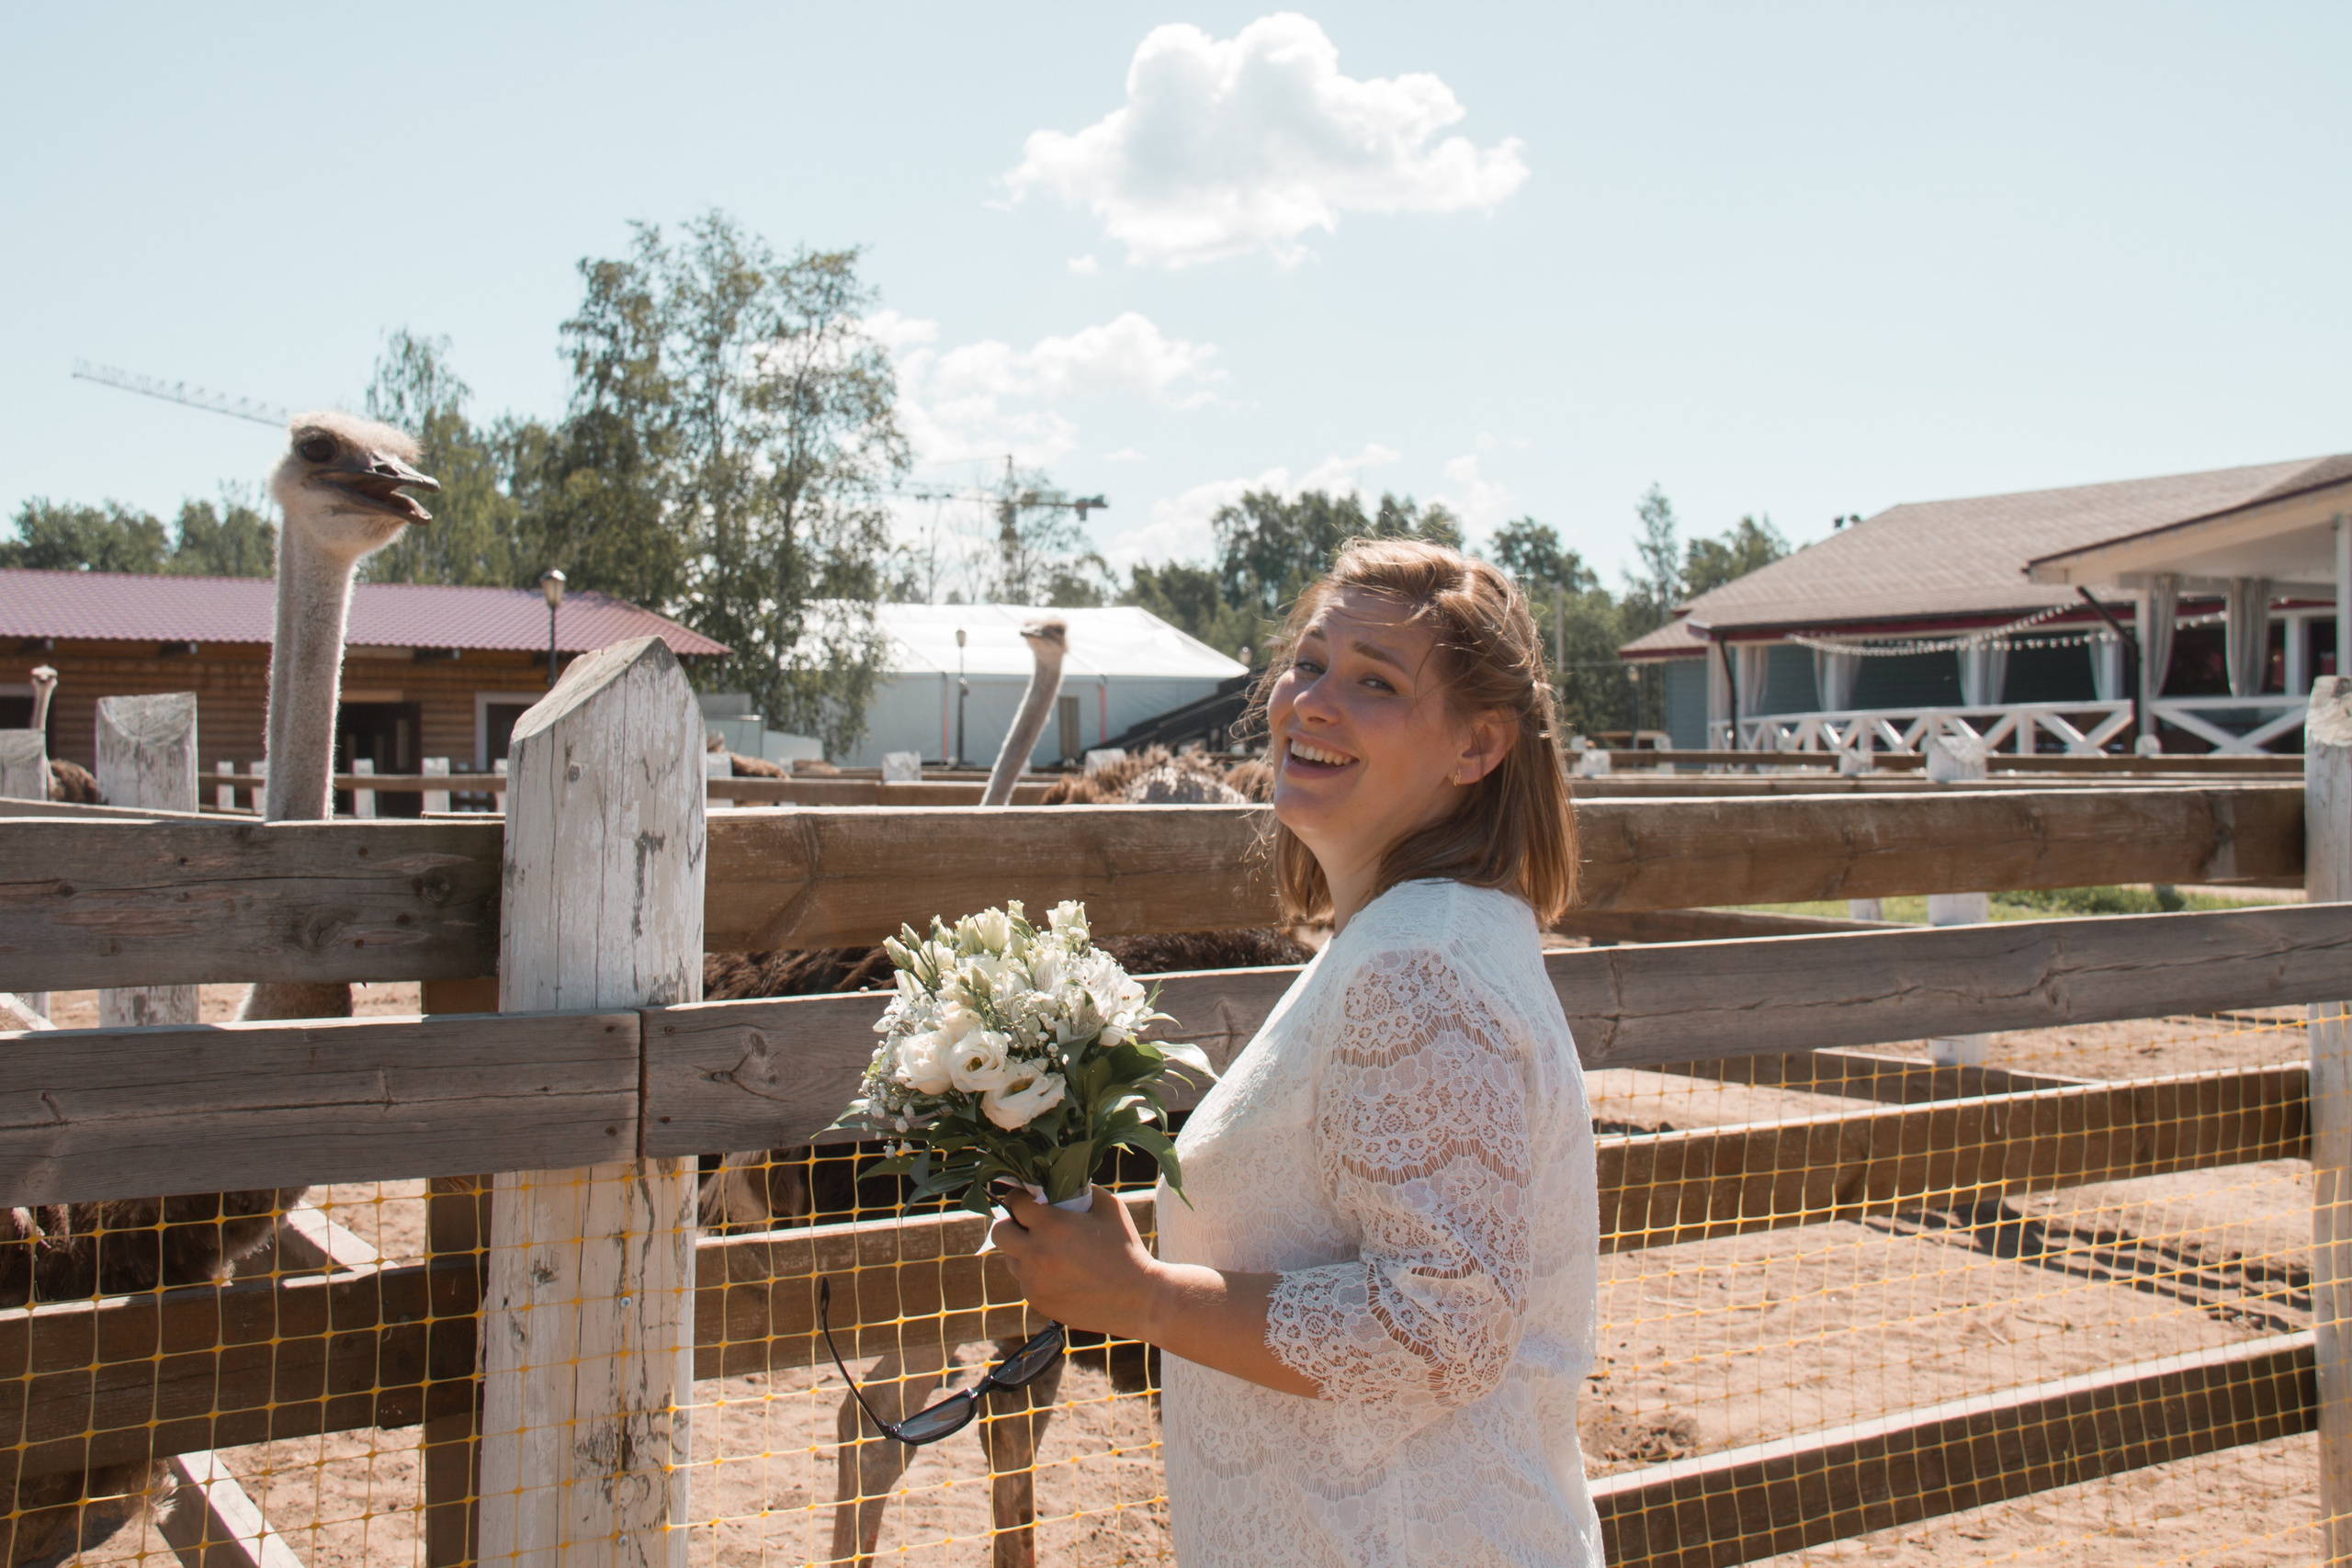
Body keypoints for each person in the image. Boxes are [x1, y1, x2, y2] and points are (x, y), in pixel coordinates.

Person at [992, 536, 1600, 1565]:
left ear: (1477, 748)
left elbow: (1442, 1326)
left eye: (1374, 682)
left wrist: (1138, 1295)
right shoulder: (1416, 937)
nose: (1310, 701)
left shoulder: (1417, 968)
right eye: (1309, 664)